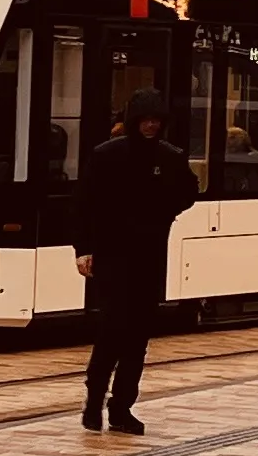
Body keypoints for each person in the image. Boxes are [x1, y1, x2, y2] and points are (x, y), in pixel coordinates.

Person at [71, 88, 196, 434]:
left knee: (138, 337)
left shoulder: (171, 157)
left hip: (149, 256)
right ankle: (94, 400)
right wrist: (83, 248)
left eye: (156, 120)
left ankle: (122, 406)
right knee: (112, 330)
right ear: (133, 120)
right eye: (145, 119)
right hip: (113, 256)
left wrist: (164, 213)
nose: (151, 125)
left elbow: (189, 193)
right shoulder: (106, 155)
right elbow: (84, 205)